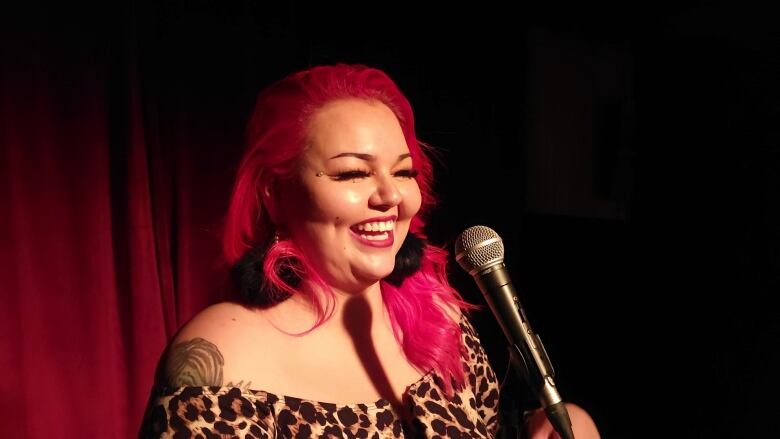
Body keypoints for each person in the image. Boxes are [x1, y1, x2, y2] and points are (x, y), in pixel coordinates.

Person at [139, 64, 599, 438]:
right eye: (352, 174)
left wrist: (559, 424)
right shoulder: (223, 354)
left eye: (403, 173)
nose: (390, 196)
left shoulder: (442, 320)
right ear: (273, 195)